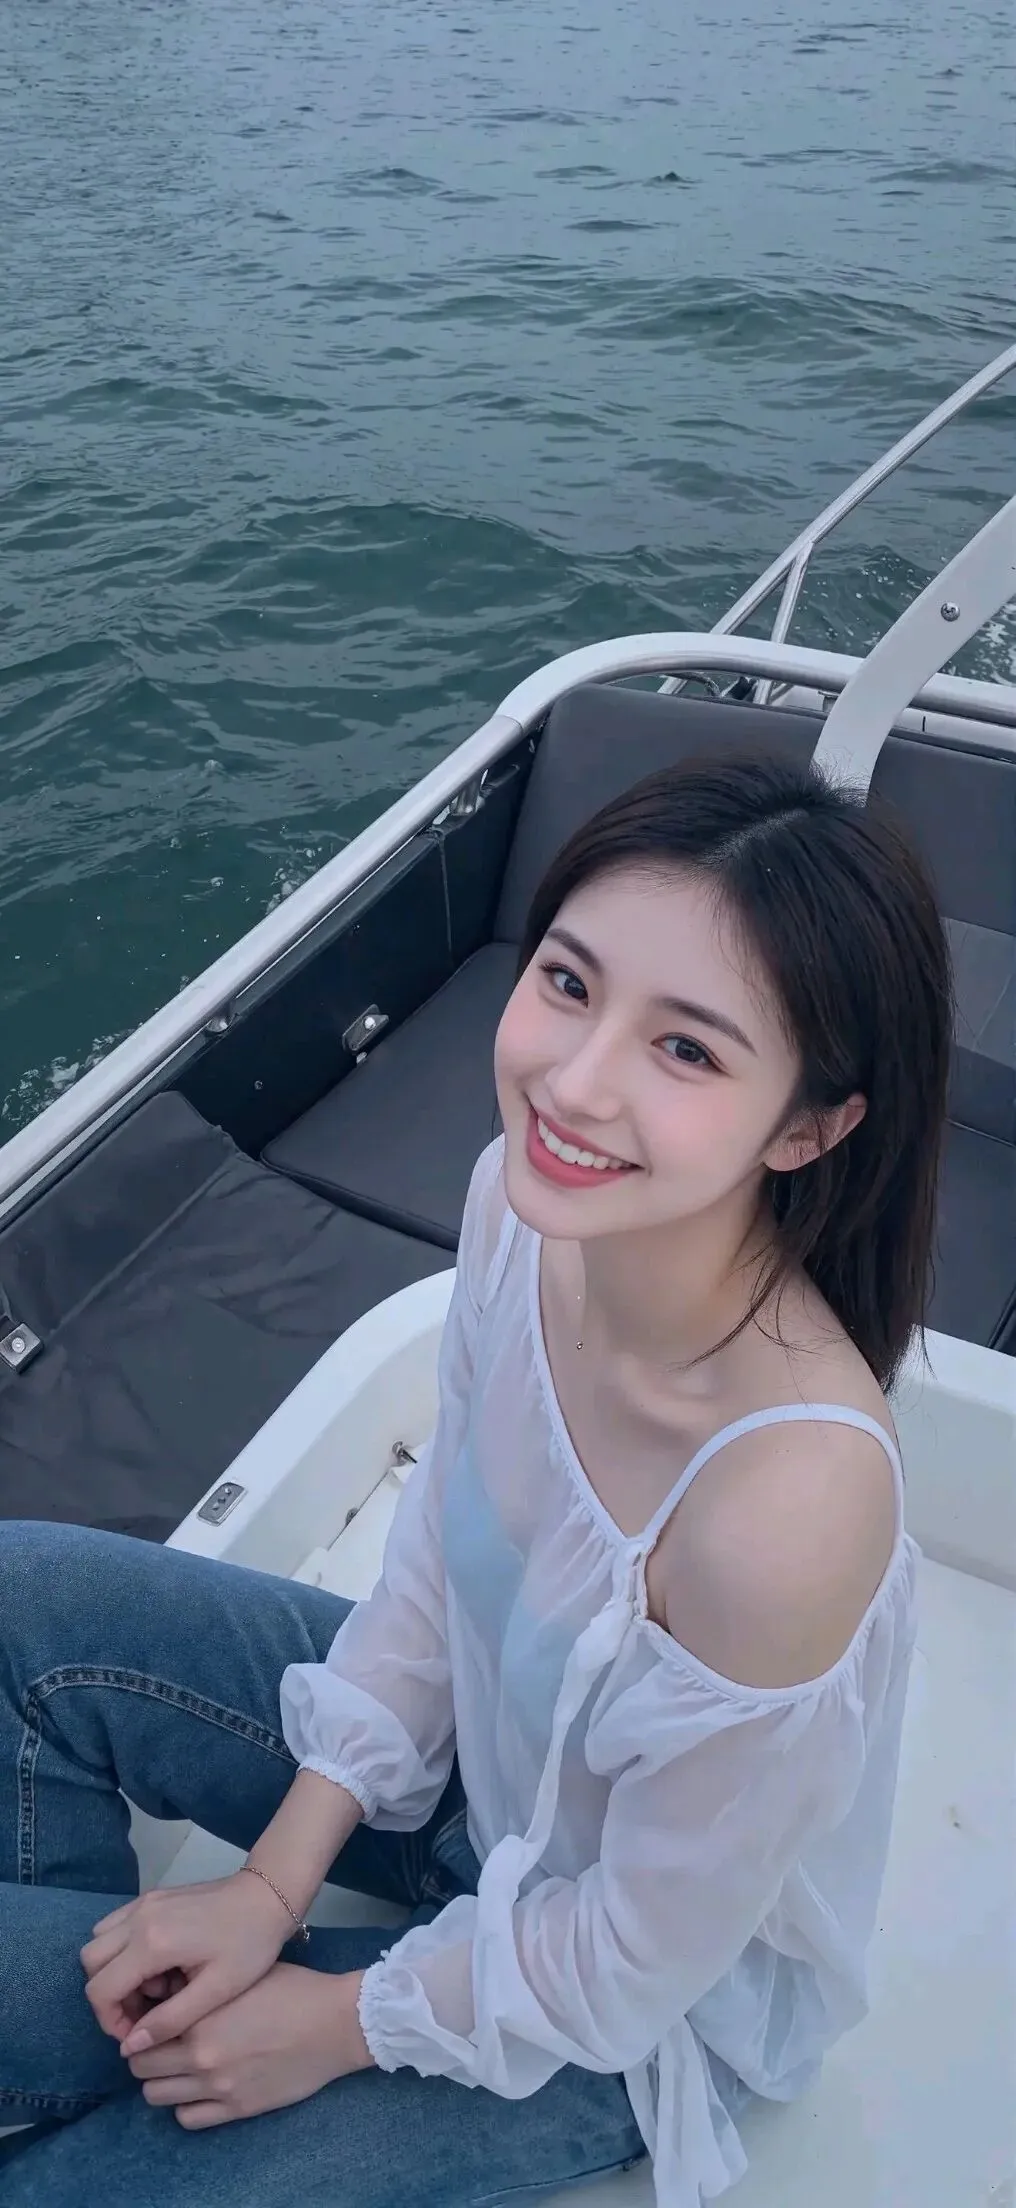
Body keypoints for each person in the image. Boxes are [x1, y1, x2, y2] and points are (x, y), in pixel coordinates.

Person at [0, 753, 951, 2208]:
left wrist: (330, 2023)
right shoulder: (528, 1213)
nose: (573, 1082)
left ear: (810, 1126)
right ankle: (93, 2041)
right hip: (481, 1788)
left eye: (686, 1050)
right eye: (568, 982)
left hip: (627, 2018)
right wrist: (267, 1889)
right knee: (23, 1604)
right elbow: (440, 1568)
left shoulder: (785, 1506)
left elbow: (637, 1956)